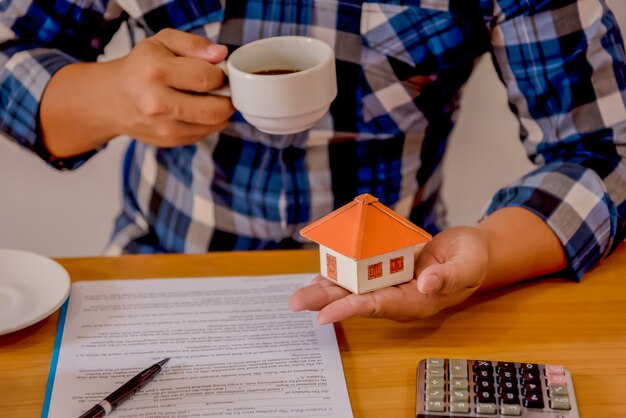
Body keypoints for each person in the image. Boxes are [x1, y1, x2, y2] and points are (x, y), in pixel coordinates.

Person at [1, 1, 625, 324]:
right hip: (164, 277)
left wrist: (484, 253)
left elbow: (606, 150)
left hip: (397, 297)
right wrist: (109, 96)